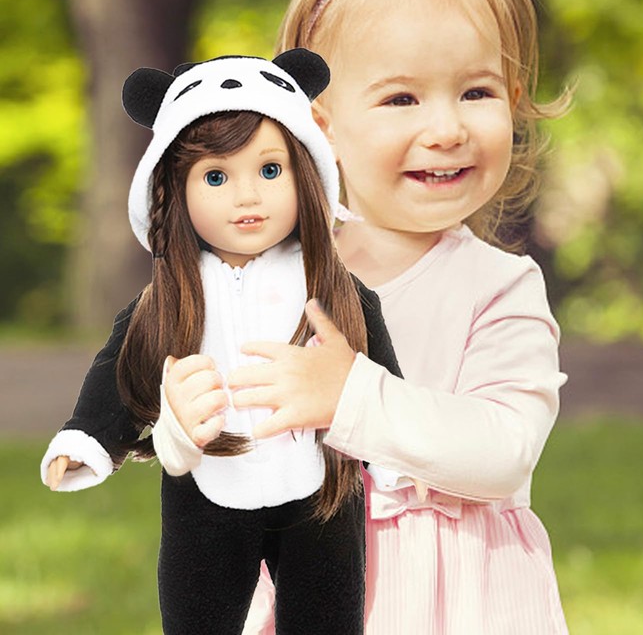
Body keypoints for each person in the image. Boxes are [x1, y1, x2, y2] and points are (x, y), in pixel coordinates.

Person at [196, 0, 569, 634]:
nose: (447, 128)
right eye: (402, 99)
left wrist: (352, 396)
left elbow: (504, 450)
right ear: (321, 126)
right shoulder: (280, 273)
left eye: (477, 92)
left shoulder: (499, 287)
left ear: (514, 101)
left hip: (460, 602)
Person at [39, 51, 401, 635]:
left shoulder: (330, 288)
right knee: (197, 617)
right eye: (215, 177)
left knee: (328, 618)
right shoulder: (170, 298)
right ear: (174, 190)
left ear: (306, 173)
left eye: (270, 170)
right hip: (204, 491)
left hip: (320, 492)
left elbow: (379, 374)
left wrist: (393, 455)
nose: (247, 196)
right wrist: (87, 440)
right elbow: (118, 373)